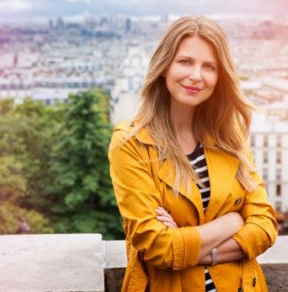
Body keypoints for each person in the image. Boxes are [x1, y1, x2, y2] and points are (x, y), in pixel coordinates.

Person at [108, 16, 278, 292]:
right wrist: (232, 222)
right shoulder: (130, 143)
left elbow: (265, 225)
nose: (196, 75)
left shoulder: (229, 134)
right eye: (185, 62)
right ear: (164, 65)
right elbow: (158, 247)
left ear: (219, 75)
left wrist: (193, 247)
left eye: (209, 66)